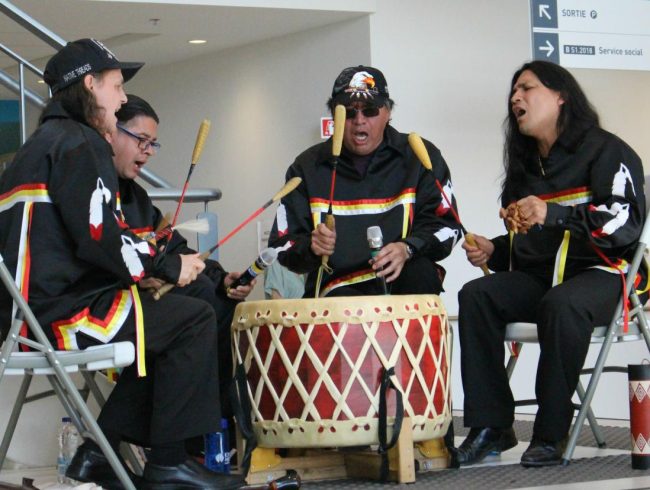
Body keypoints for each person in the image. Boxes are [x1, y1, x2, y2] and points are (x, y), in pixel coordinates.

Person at [0, 39, 244, 489]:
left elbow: (86, 237)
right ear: (90, 85)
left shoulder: (33, 149)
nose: (123, 98)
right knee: (192, 318)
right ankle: (169, 463)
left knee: (172, 318)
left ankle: (101, 452)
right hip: (59, 318)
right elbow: (102, 241)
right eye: (116, 86)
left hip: (23, 319)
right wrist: (168, 269)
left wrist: (154, 269)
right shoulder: (80, 143)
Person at [456, 60, 646, 468]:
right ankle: (491, 427)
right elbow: (536, 243)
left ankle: (550, 432)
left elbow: (624, 224)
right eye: (513, 92)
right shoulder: (526, 167)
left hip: (607, 273)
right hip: (545, 278)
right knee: (477, 295)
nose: (515, 98)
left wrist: (554, 213)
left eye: (526, 88)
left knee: (561, 304)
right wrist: (497, 249)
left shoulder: (607, 150)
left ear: (561, 96)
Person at [111, 94, 254, 422]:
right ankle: (178, 435)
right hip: (103, 309)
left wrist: (222, 279)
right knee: (197, 308)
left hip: (141, 307)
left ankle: (214, 425)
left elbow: (174, 249)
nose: (147, 152)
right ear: (110, 131)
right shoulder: (96, 189)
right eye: (141, 141)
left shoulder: (137, 197)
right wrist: (141, 273)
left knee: (215, 297)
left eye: (153, 144)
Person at [268, 65, 462, 297]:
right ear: (334, 115)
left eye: (369, 110)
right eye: (348, 112)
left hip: (404, 281)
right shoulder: (307, 166)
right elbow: (281, 245)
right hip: (337, 290)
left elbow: (449, 227)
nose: (359, 120)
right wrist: (311, 247)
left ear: (388, 112)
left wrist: (407, 248)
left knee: (420, 272)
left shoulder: (419, 156)